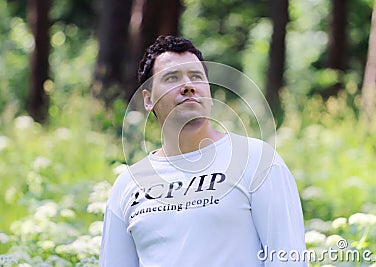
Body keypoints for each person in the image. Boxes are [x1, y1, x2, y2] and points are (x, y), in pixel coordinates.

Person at [100, 35, 307, 266]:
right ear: (148, 99)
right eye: (171, 78)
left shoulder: (257, 160)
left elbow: (287, 258)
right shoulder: (128, 184)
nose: (188, 86)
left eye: (196, 77)